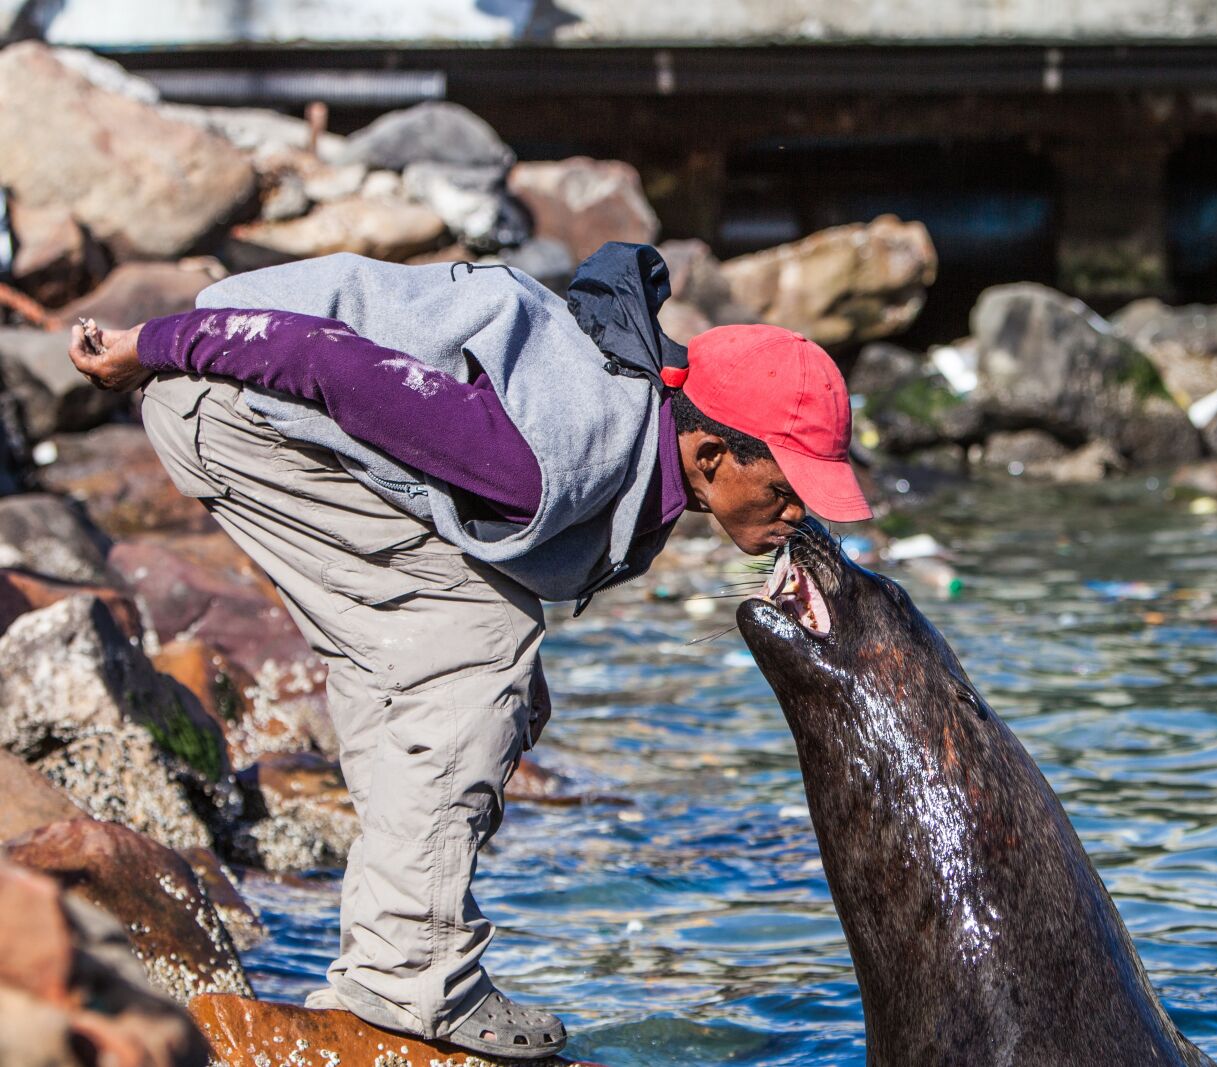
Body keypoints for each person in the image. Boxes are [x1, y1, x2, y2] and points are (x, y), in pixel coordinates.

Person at [67, 247, 872, 1061]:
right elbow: (323, 360)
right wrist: (152, 342)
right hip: (239, 399)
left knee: (449, 665)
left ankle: (385, 959)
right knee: (480, 648)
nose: (798, 516)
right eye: (787, 490)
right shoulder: (554, 450)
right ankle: (408, 971)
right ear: (709, 455)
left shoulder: (635, 431)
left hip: (266, 406)